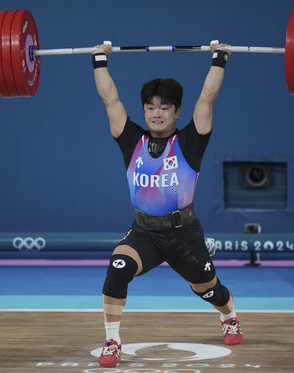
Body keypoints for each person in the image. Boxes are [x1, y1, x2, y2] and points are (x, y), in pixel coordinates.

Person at [91, 40, 242, 368]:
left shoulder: (190, 141)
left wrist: (220, 58)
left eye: (164, 107)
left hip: (184, 235)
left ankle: (229, 316)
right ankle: (112, 339)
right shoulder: (132, 140)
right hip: (143, 232)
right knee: (117, 269)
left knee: (208, 290)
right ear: (144, 110)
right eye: (150, 107)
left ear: (176, 111)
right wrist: (99, 60)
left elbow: (207, 97)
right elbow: (110, 99)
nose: (156, 113)